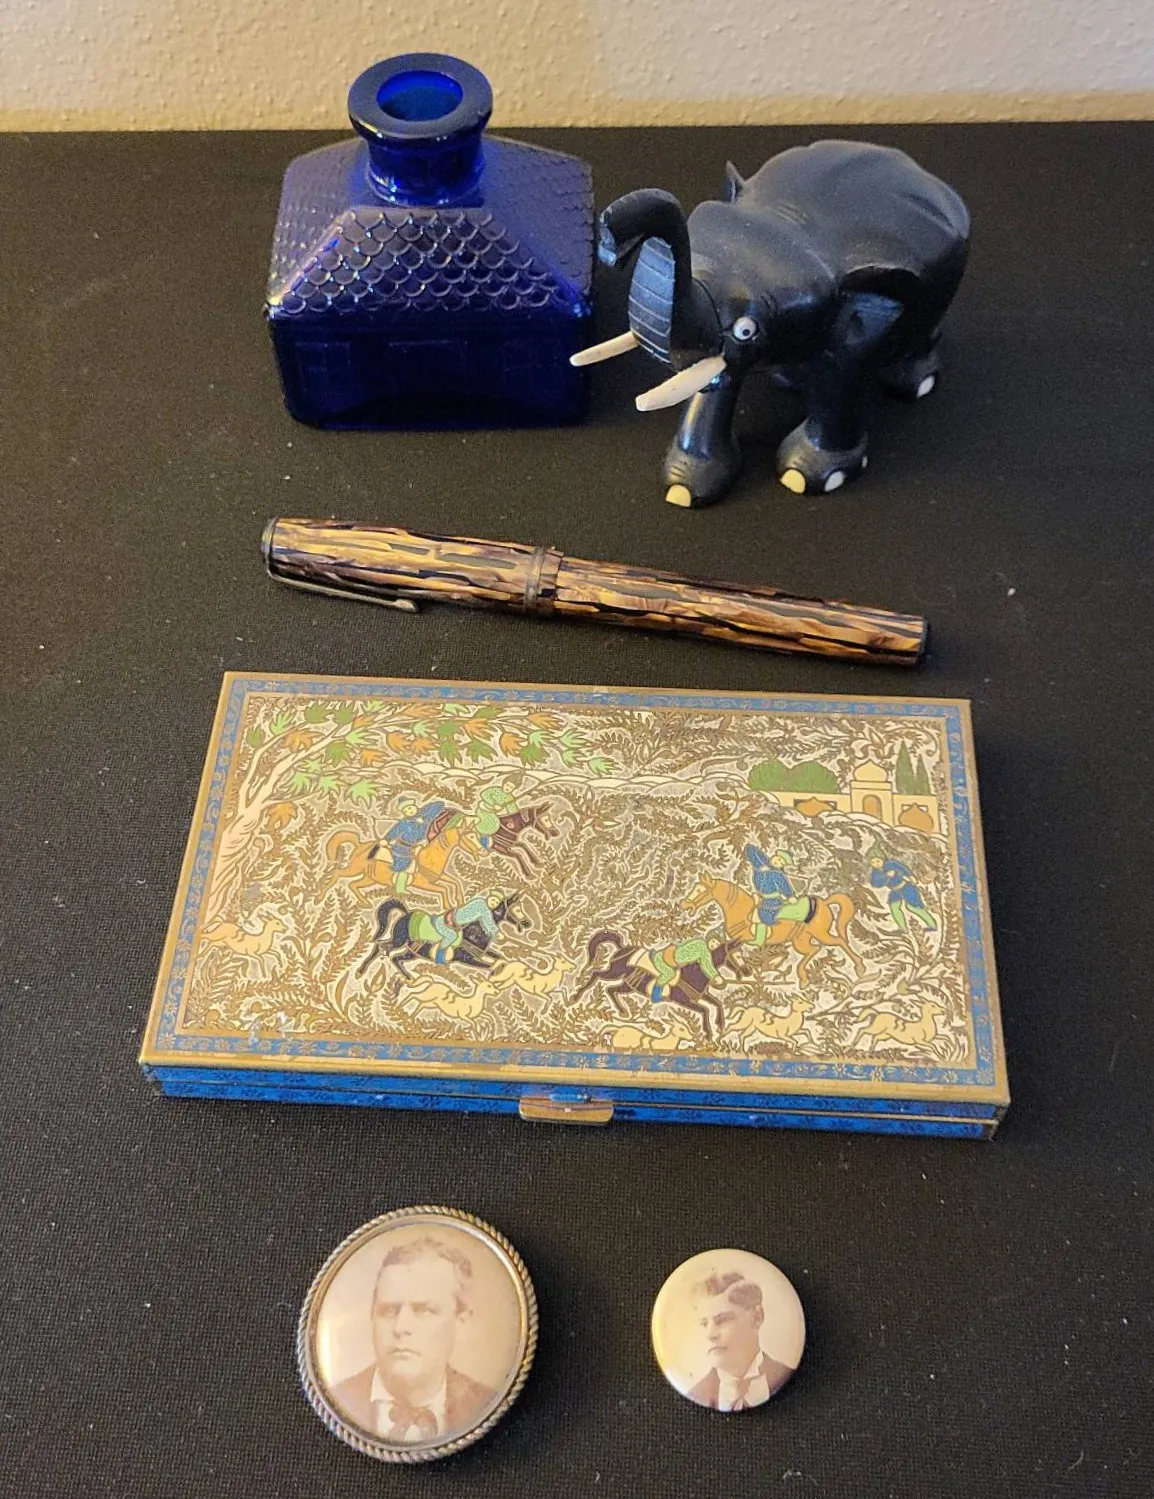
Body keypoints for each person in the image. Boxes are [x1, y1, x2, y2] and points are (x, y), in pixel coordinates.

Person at [331, 1236, 496, 1443]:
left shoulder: (487, 1405)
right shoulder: (337, 1399)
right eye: (388, 1311)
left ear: (461, 1323)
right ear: (372, 1317)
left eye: (424, 1310)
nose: (401, 1327)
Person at [687, 1269, 795, 1410]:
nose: (710, 1334)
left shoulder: (792, 1378)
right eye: (704, 1323)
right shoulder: (694, 1396)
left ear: (757, 1317)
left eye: (723, 1320)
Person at [745, 845, 811, 945]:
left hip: (773, 899)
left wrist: (790, 896)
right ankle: (759, 939)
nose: (778, 862)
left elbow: (784, 886)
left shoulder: (777, 874)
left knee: (763, 913)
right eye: (779, 859)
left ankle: (760, 940)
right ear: (774, 856)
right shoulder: (763, 862)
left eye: (781, 863)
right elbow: (750, 849)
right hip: (761, 896)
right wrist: (761, 865)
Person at [381, 796, 446, 894]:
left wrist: (424, 818)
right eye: (406, 810)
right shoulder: (404, 823)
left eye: (410, 808)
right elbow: (394, 831)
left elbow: (440, 804)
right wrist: (386, 839)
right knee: (405, 865)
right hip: (403, 847)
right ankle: (400, 888)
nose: (409, 811)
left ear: (415, 806)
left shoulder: (424, 815)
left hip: (421, 845)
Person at [869, 852, 937, 931]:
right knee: (894, 907)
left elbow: (902, 868)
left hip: (906, 887)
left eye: (878, 861)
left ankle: (932, 925)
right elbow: (875, 883)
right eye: (873, 862)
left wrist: (910, 876)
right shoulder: (876, 872)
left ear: (883, 859)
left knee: (913, 907)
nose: (876, 864)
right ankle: (903, 929)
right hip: (895, 891)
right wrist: (886, 876)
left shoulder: (891, 864)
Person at [474, 780, 520, 850]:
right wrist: (494, 804)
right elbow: (484, 794)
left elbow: (513, 809)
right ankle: (481, 841)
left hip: (493, 813)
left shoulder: (509, 797)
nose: (508, 788)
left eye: (511, 787)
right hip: (484, 810)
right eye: (507, 785)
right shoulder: (495, 790)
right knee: (492, 823)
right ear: (503, 783)